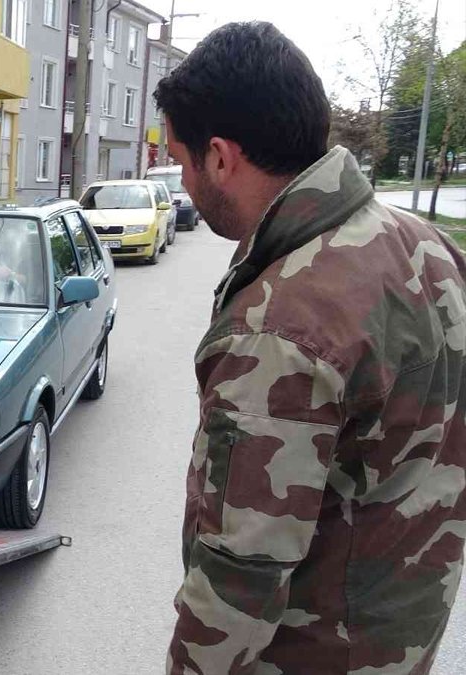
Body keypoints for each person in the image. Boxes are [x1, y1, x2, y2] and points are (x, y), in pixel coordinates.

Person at [155, 22, 465, 675]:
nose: (181, 181)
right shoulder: (428, 247)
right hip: (404, 634)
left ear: (219, 156)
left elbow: (238, 581)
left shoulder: (276, 330)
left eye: (179, 161)